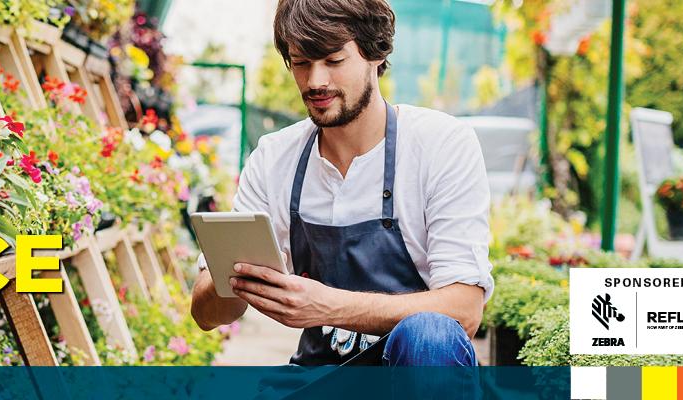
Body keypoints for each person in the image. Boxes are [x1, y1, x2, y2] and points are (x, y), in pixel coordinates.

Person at [190, 0, 493, 368]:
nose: (316, 81)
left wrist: (326, 305)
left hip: (415, 377)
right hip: (318, 374)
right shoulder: (274, 158)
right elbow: (206, 315)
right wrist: (232, 278)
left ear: (375, 54)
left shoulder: (439, 144)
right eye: (302, 62)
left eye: (333, 60)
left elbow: (464, 310)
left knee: (429, 337)